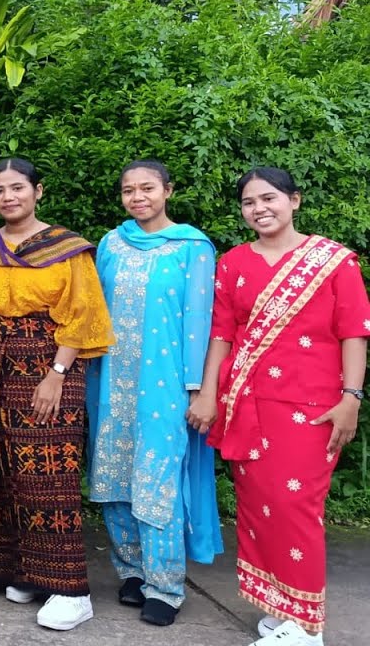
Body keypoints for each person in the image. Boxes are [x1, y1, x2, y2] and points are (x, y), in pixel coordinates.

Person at [187, 167, 369, 646]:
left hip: (312, 406)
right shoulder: (233, 263)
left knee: (295, 506)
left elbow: (354, 332)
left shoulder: (332, 262)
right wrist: (209, 392)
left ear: (295, 201)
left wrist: (352, 398)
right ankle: (281, 608)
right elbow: (223, 333)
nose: (259, 209)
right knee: (260, 507)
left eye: (269, 198)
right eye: (249, 202)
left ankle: (307, 628)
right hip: (247, 402)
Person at [0, 157, 113, 631]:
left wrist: (56, 372)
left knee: (49, 476)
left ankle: (71, 589)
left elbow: (84, 313)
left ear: (38, 192)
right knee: (4, 473)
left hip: (48, 366)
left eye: (17, 188)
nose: (8, 197)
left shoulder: (67, 249)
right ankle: (26, 571)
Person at [86, 159, 223, 626]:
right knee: (113, 476)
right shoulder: (111, 243)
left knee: (157, 478)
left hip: (165, 384)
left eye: (147, 188)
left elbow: (200, 319)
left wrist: (198, 389)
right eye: (129, 190)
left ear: (168, 190)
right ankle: (131, 570)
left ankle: (164, 585)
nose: (137, 197)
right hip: (110, 380)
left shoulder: (192, 247)